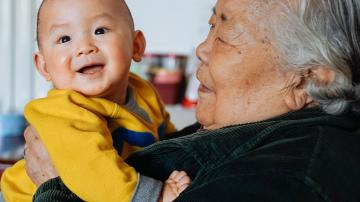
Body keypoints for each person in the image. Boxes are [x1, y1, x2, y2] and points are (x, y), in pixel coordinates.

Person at [24, 0, 360, 201]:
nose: (201, 49)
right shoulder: (66, 111)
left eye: (225, 33)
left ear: (312, 75)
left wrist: (54, 186)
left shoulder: (285, 181)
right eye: (210, 25)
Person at [0, 0, 192, 201]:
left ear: (136, 46)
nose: (84, 48)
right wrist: (157, 195)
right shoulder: (63, 112)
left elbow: (167, 136)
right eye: (65, 38)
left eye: (100, 31)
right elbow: (95, 173)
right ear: (44, 66)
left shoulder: (143, 91)